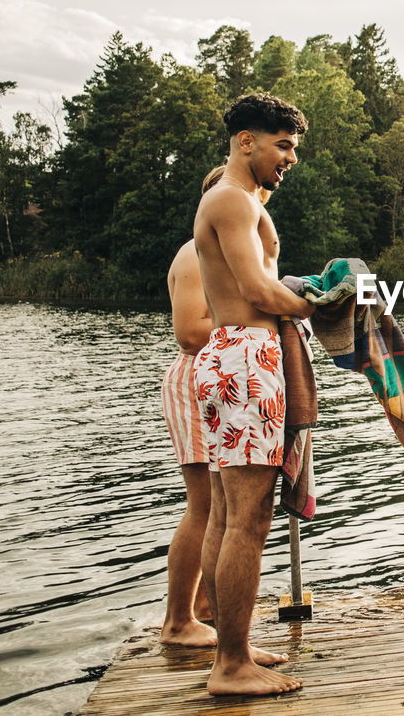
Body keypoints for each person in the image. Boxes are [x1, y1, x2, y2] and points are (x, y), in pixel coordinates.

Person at [193, 93, 314, 696]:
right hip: (244, 356)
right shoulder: (231, 200)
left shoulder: (231, 201)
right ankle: (230, 666)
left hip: (230, 356)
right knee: (250, 519)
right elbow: (259, 291)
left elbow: (260, 287)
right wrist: (322, 302)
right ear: (246, 141)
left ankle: (231, 648)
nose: (289, 159)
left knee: (225, 514)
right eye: (283, 145)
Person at [158, 165, 227, 648]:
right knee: (203, 504)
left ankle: (203, 606)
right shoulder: (193, 255)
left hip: (221, 381)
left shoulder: (225, 253)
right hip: (194, 380)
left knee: (223, 502)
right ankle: (178, 620)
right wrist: (259, 322)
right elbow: (188, 332)